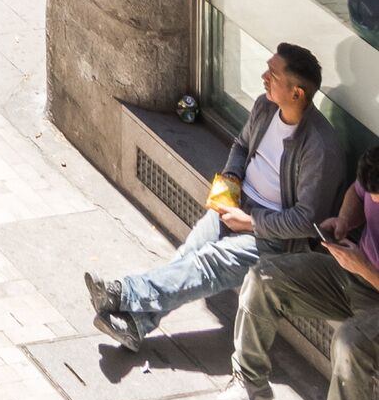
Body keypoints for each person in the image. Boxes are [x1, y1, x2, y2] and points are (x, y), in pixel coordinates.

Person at [87, 44, 345, 350]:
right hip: (237, 205)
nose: (264, 77)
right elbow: (240, 146)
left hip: (276, 238)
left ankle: (122, 293)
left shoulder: (319, 147)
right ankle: (135, 325)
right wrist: (232, 182)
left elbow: (306, 221)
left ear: (297, 94)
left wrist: (250, 223)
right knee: (189, 253)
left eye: (273, 74)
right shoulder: (265, 107)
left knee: (207, 262)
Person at [231, 163, 379, 400]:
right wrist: (344, 221)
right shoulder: (375, 171)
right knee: (265, 276)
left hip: (370, 282)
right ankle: (249, 380)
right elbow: (356, 192)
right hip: (356, 273)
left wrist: (364, 268)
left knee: (349, 342)